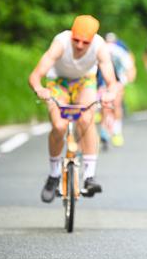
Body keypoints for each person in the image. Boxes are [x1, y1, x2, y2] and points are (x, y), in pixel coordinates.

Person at [28, 15, 119, 203]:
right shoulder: (61, 42)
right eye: (76, 40)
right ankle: (53, 175)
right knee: (59, 126)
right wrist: (39, 89)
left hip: (84, 81)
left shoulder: (99, 46)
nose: (79, 46)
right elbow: (36, 74)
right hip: (58, 82)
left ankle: (89, 177)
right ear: (71, 34)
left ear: (92, 39)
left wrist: (110, 92)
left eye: (84, 42)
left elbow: (111, 79)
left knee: (87, 120)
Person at [98, 32, 136, 147]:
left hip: (118, 79)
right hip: (103, 79)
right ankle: (104, 131)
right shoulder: (100, 50)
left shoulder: (119, 51)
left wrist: (124, 82)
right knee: (105, 106)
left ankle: (116, 131)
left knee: (116, 104)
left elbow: (129, 67)